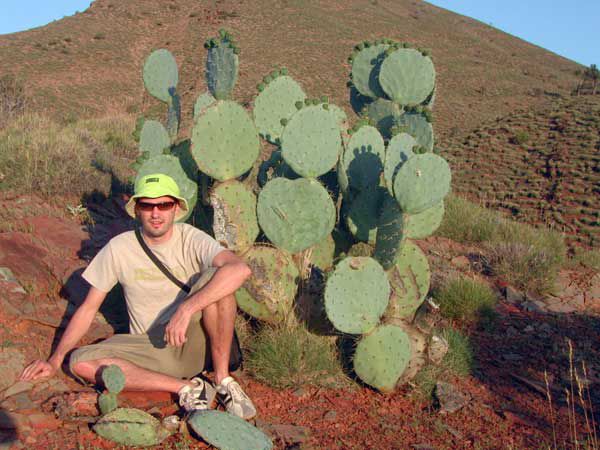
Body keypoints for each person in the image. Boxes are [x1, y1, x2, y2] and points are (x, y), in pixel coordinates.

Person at [20, 173, 257, 420]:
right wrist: (55, 360)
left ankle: (223, 380)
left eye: (164, 205)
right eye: (147, 205)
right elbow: (88, 308)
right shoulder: (119, 248)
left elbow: (240, 269)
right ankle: (188, 388)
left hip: (196, 340)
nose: (156, 213)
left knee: (217, 278)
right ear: (137, 210)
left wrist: (186, 310)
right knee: (79, 361)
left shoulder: (190, 238)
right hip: (149, 347)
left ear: (176, 208)